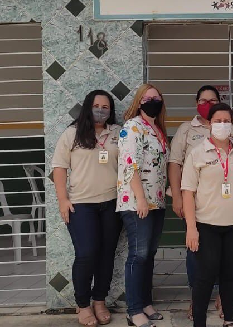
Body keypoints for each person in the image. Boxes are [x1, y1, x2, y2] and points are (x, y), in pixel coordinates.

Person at [181, 102, 233, 327]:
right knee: (205, 276)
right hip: (207, 226)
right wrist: (191, 228)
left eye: (226, 121)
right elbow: (188, 192)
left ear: (232, 124)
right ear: (209, 124)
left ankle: (229, 320)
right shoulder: (197, 153)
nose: (222, 125)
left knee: (229, 275)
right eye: (218, 121)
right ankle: (199, 322)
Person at [52, 90, 122, 327]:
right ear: (87, 107)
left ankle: (99, 301)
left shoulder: (117, 133)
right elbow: (59, 167)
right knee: (87, 254)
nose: (101, 110)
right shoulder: (72, 133)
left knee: (106, 254)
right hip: (81, 205)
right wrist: (63, 200)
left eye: (105, 107)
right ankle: (82, 304)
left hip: (112, 203)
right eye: (96, 106)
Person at [168, 85, 233, 320]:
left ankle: (222, 297)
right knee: (197, 254)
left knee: (224, 258)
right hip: (198, 207)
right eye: (203, 100)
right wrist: (177, 196)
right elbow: (175, 163)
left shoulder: (232, 128)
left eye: (212, 100)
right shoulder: (186, 130)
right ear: (196, 102)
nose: (207, 104)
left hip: (228, 207)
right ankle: (196, 299)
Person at [117, 84, 169, 327]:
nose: (152, 101)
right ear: (139, 102)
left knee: (149, 255)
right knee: (138, 255)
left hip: (156, 201)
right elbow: (130, 165)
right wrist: (140, 199)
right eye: (147, 98)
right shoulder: (132, 127)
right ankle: (134, 309)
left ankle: (146, 303)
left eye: (156, 98)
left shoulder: (157, 129)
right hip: (137, 202)